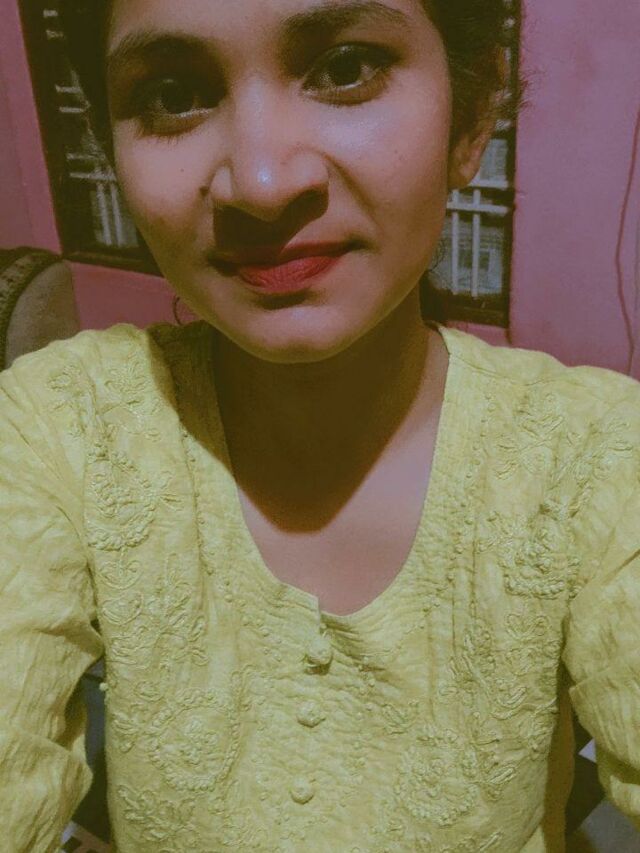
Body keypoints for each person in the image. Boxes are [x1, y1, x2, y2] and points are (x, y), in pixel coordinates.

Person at [1, 0, 639, 850]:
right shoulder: (60, 427)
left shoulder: (594, 455)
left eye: (345, 69)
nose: (263, 183)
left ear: (471, 117)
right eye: (172, 95)